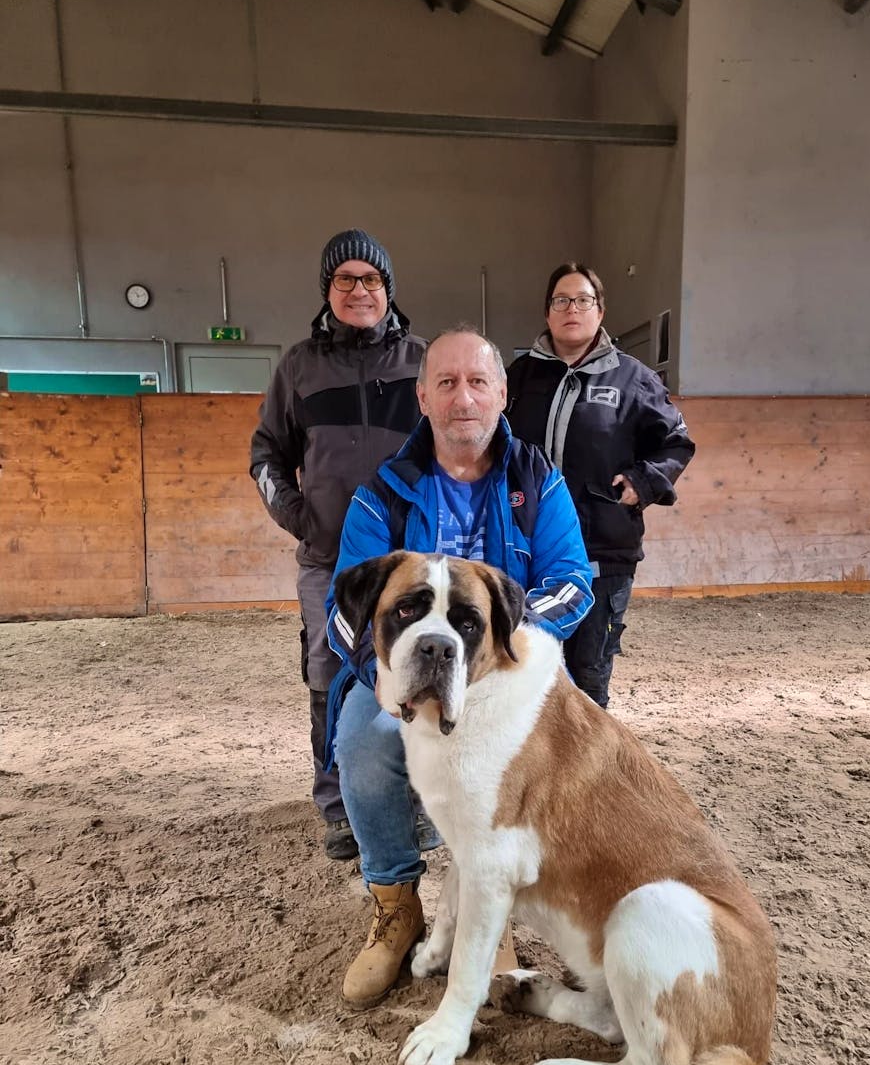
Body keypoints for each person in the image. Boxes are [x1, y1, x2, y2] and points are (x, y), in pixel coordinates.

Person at [325, 326, 594, 1007]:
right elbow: (342, 608)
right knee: (362, 741)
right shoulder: (382, 493)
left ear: (501, 394)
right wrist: (383, 673)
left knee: (544, 753)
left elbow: (572, 581)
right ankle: (396, 906)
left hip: (501, 669)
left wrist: (500, 656)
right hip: (405, 671)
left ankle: (489, 907)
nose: (462, 398)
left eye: (477, 382)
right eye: (445, 383)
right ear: (423, 398)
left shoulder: (538, 481)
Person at [250, 229, 431, 862]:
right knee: (329, 673)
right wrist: (302, 518)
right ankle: (338, 806)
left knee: (417, 668)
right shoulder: (298, 366)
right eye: (345, 279)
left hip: (411, 560)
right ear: (327, 290)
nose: (359, 290)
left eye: (370, 279)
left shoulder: (420, 361)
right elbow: (266, 456)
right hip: (328, 560)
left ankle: (417, 800)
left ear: (388, 289)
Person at [506, 262, 695, 709]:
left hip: (602, 555)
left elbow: (676, 443)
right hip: (524, 549)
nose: (572, 309)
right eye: (561, 300)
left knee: (588, 679)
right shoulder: (518, 377)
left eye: (583, 300)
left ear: (600, 311)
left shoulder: (633, 379)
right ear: (547, 312)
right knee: (521, 673)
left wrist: (643, 482)